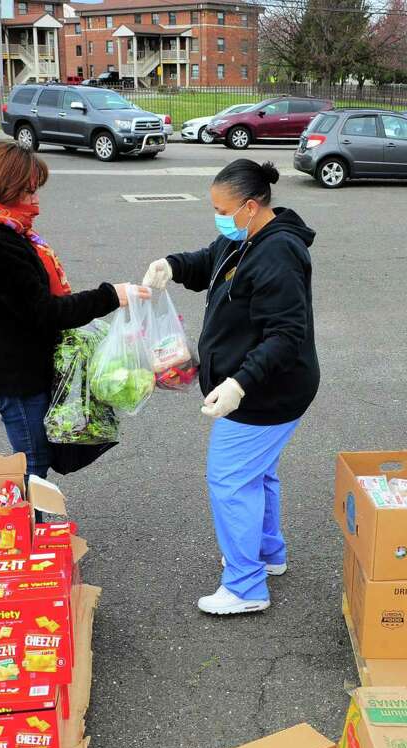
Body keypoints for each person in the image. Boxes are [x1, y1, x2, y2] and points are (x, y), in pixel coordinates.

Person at [143, 159, 319, 616]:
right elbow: (209, 261)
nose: (218, 217)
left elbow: (285, 334)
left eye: (223, 209)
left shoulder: (277, 253)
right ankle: (266, 554)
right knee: (257, 474)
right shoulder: (244, 238)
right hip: (265, 385)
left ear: (250, 206)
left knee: (231, 480)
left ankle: (245, 587)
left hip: (266, 391)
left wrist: (240, 383)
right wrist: (172, 266)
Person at [0, 140, 146, 478]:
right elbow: (45, 312)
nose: (35, 199)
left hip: (12, 364)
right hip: (12, 375)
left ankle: (33, 523)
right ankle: (33, 527)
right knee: (33, 462)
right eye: (27, 191)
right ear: (2, 187)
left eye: (35, 189)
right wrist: (110, 296)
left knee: (35, 457)